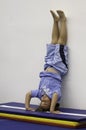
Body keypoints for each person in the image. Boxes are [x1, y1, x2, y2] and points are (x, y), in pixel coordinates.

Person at [25, 10, 68, 114]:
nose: (43, 100)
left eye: (41, 103)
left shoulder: (40, 94)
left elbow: (28, 94)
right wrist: (52, 110)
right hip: (59, 66)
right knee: (61, 43)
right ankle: (63, 20)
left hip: (47, 65)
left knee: (53, 43)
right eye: (46, 103)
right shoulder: (55, 95)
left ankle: (55, 21)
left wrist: (27, 106)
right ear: (52, 103)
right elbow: (55, 96)